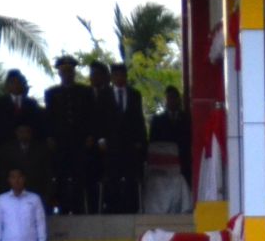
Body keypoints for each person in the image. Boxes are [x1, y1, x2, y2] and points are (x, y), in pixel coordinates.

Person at [44, 55, 96, 213]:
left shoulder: (85, 91)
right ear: (59, 73)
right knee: (61, 176)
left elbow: (91, 116)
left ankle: (79, 208)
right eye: (64, 71)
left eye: (70, 70)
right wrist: (50, 137)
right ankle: (63, 208)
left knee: (80, 176)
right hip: (60, 142)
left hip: (79, 142)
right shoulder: (51, 93)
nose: (67, 74)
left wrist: (90, 135)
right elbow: (49, 117)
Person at [98, 63, 146, 213]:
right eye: (116, 75)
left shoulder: (134, 94)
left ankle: (131, 208)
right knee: (112, 177)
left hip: (129, 144)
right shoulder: (104, 94)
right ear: (112, 77)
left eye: (122, 75)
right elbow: (98, 118)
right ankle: (112, 208)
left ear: (126, 77)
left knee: (130, 177)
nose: (120, 78)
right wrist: (101, 139)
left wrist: (140, 140)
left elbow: (139, 118)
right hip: (111, 144)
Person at [148, 86, 192, 188]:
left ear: (178, 99)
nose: (171, 101)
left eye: (173, 97)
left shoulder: (186, 119)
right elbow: (153, 143)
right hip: (164, 163)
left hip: (183, 162)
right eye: (169, 98)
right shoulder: (158, 120)